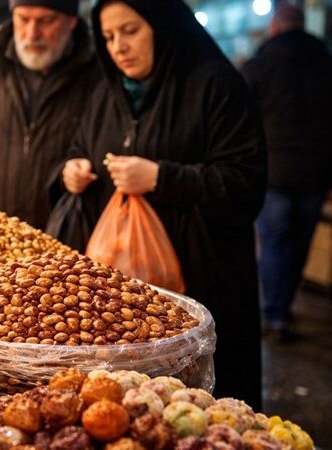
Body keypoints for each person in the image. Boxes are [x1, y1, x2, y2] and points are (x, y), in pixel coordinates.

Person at [59, 0, 266, 408]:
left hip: (204, 280)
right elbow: (81, 144)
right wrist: (72, 169)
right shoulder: (106, 91)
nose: (119, 46)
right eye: (109, 36)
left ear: (163, 26)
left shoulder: (217, 86)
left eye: (130, 31)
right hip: (123, 294)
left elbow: (245, 181)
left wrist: (161, 177)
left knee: (205, 408)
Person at [0, 0, 100, 229]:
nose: (32, 33)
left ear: (71, 21)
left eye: (46, 21)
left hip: (64, 241)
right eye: (23, 19)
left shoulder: (98, 76)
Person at [242, 5, 332, 341]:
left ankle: (274, 311)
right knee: (299, 244)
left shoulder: (258, 66)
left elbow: (242, 124)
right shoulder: (330, 65)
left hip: (273, 174)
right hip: (317, 172)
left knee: (272, 243)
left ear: (275, 28)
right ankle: (284, 303)